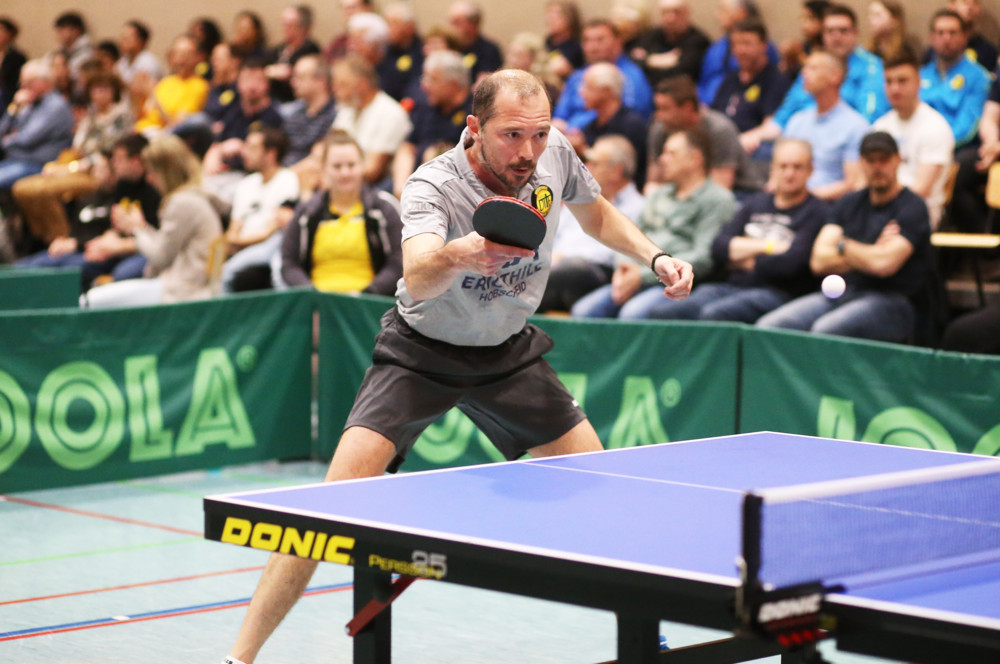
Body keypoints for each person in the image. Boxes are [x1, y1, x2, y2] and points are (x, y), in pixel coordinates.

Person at [222, 68, 692, 664]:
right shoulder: (432, 186)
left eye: (539, 134)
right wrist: (460, 253)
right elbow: (416, 272)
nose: (528, 152)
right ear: (474, 128)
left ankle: (647, 637)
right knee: (323, 513)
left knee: (600, 486)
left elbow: (594, 213)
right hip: (420, 353)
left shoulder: (553, 156)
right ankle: (239, 658)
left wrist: (655, 256)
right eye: (512, 136)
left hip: (507, 352)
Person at [757, 131, 931, 343]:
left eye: (884, 160)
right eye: (870, 160)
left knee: (827, 330)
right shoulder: (849, 203)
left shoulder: (913, 207)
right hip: (843, 292)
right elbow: (818, 261)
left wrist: (841, 245)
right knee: (770, 326)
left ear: (897, 160)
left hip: (892, 299)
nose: (877, 167)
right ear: (861, 163)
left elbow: (884, 265)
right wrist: (871, 252)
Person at [646, 138, 828, 321]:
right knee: (664, 311)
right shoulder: (755, 203)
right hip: (732, 286)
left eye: (797, 167)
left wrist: (742, 256)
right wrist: (771, 246)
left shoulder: (817, 211)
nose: (789, 173)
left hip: (778, 292)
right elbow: (718, 248)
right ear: (772, 168)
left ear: (810, 170)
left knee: (716, 313)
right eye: (783, 166)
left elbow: (791, 265)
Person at [572, 128, 733, 320]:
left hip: (674, 284)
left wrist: (641, 276)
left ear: (695, 159)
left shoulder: (718, 199)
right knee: (583, 311)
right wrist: (623, 270)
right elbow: (630, 234)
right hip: (636, 274)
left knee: (632, 314)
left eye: (671, 153)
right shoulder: (658, 194)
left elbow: (704, 256)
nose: (662, 159)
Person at [82, 134, 222, 308]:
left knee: (89, 302)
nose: (149, 178)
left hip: (186, 290)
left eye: (151, 171)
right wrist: (142, 227)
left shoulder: (182, 202)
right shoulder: (193, 195)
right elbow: (166, 246)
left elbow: (160, 257)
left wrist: (136, 229)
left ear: (165, 171)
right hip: (186, 283)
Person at [16, 133, 161, 290]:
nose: (115, 164)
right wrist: (101, 244)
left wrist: (111, 246)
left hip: (141, 250)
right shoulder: (123, 185)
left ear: (136, 160)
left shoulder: (154, 191)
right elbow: (115, 227)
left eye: (119, 159)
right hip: (109, 247)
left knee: (117, 273)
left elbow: (158, 241)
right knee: (24, 267)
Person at [12, 70, 132, 244]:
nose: (100, 94)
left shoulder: (121, 117)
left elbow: (106, 154)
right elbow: (77, 147)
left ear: (114, 92)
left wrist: (69, 168)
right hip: (76, 164)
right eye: (96, 89)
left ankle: (63, 236)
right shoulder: (90, 116)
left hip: (99, 172)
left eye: (105, 89)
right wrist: (62, 165)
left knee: (41, 190)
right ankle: (44, 236)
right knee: (21, 189)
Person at [281, 129, 401, 295]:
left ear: (363, 165)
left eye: (351, 165)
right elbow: (289, 264)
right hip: (317, 304)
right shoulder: (306, 212)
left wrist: (368, 293)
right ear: (324, 169)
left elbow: (399, 262)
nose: (345, 173)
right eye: (337, 166)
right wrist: (312, 293)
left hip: (370, 303)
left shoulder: (384, 208)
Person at [539, 134, 644, 312]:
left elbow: (619, 251)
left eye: (594, 163)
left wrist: (562, 256)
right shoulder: (579, 198)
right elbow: (553, 234)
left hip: (598, 271)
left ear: (616, 171)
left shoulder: (638, 207)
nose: (586, 168)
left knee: (570, 269)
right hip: (557, 268)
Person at [873, 49, 954, 229]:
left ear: (918, 82)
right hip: (880, 209)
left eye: (902, 81)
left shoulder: (935, 126)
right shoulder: (880, 126)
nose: (895, 88)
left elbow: (921, 190)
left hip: (918, 214)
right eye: (889, 82)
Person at [647, 74, 762, 195]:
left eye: (665, 109)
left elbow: (721, 188)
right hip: (682, 194)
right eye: (657, 108)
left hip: (739, 193)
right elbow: (654, 180)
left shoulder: (719, 130)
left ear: (688, 108)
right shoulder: (660, 129)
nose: (658, 115)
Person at [782, 50, 870, 201]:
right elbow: (779, 169)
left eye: (813, 68)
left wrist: (807, 198)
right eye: (805, 67)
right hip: (791, 201)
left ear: (835, 77)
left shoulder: (856, 126)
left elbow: (854, 183)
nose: (804, 73)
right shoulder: (797, 121)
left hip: (828, 206)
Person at [221, 127, 299, 292]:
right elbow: (233, 229)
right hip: (245, 245)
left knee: (226, 274)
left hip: (271, 244)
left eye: (252, 148)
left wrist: (236, 242)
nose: (245, 153)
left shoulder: (287, 179)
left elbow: (268, 232)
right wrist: (233, 241)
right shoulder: (245, 184)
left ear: (270, 154)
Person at [391, 49, 472, 198]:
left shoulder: (474, 113)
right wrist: (401, 186)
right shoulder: (428, 105)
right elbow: (407, 147)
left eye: (432, 80)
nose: (424, 86)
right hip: (413, 182)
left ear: (453, 85)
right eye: (425, 78)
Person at [552, 18, 654, 131]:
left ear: (618, 41)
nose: (592, 47)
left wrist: (572, 128)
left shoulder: (630, 76)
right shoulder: (576, 77)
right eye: (586, 41)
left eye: (600, 40)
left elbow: (625, 118)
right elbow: (560, 116)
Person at [331, 55, 413, 186]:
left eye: (342, 84)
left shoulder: (390, 113)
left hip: (372, 189)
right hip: (342, 178)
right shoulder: (347, 109)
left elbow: (372, 170)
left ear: (362, 85)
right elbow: (325, 148)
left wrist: (331, 175)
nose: (335, 91)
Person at [565, 62, 648, 188]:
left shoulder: (632, 125)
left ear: (607, 92)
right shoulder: (590, 126)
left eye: (588, 87)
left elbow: (625, 170)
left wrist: (584, 151)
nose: (581, 92)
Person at [710, 18, 790, 146]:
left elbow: (770, 127)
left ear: (764, 46)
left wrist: (737, 143)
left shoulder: (776, 80)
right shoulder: (729, 79)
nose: (740, 51)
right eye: (736, 44)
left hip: (751, 149)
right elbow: (713, 116)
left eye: (747, 44)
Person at [919, 9, 991, 150]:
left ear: (965, 37)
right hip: (918, 146)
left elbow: (967, 127)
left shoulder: (979, 77)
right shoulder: (920, 75)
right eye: (940, 33)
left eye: (952, 33)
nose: (946, 38)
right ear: (932, 38)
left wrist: (936, 146)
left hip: (956, 148)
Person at [0, 59, 74, 193]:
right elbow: (2, 130)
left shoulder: (55, 106)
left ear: (45, 82)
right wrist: (14, 109)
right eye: (21, 83)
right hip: (16, 160)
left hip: (40, 165)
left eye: (28, 82)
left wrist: (7, 141)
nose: (23, 86)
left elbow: (26, 139)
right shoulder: (30, 103)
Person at [697, 0, 779, 106]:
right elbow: (704, 80)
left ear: (742, 12)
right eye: (736, 45)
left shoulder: (761, 47)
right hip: (708, 107)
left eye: (723, 10)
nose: (717, 15)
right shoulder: (716, 48)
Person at [133, 35, 210, 134]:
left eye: (187, 54)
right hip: (142, 129)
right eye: (178, 54)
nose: (182, 59)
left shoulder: (199, 86)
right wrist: (136, 94)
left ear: (197, 57)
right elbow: (141, 116)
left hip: (164, 135)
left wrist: (152, 94)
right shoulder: (166, 82)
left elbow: (176, 125)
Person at [631, 0, 711, 87]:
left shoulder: (699, 42)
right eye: (665, 12)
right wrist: (652, 60)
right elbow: (631, 59)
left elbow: (680, 75)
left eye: (676, 12)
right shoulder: (653, 35)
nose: (670, 18)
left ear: (687, 13)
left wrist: (646, 61)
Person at [279, 54, 337, 168]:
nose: (293, 82)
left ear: (321, 81)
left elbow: (320, 157)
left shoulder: (335, 115)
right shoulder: (294, 115)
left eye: (299, 77)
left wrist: (285, 177)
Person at [266, 5, 321, 104]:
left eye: (289, 25)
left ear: (302, 28)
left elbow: (291, 73)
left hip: (296, 101)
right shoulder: (280, 47)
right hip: (273, 99)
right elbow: (264, 67)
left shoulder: (310, 49)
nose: (284, 29)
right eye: (283, 24)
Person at [447, 1, 504, 84]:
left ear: (473, 23)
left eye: (457, 22)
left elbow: (484, 84)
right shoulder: (448, 47)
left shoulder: (489, 50)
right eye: (451, 22)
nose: (451, 27)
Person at [379, 2, 424, 102]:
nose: (387, 29)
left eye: (392, 23)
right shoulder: (384, 52)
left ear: (409, 27)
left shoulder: (422, 51)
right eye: (386, 23)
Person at [0, 16, 28, 114]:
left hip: (8, 95)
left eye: (1, 30)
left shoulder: (17, 57)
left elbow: (17, 82)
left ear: (10, 34)